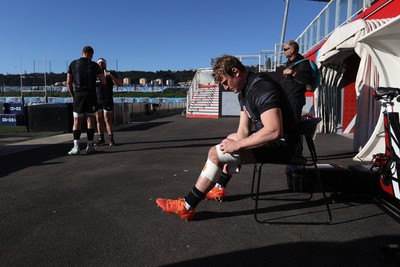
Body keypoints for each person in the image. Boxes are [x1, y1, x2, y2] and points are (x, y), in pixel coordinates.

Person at [156, 55, 299, 220]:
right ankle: (219, 187)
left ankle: (187, 205)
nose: (224, 87)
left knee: (215, 153)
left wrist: (236, 146)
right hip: (273, 141)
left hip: (284, 146)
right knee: (228, 141)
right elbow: (243, 130)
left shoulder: (262, 87)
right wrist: (232, 143)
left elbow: (274, 131)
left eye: (225, 82)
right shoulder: (244, 91)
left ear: (235, 72)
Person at [66, 46, 106, 155]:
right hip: (91, 95)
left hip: (78, 95)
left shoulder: (73, 64)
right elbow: (103, 82)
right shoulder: (94, 65)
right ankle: (89, 146)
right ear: (91, 54)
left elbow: (68, 82)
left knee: (77, 121)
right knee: (90, 120)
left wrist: (73, 95)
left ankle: (76, 147)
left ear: (82, 53)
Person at [281, 40, 313, 122]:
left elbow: (307, 79)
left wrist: (292, 72)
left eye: (285, 49)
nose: (283, 51)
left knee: (294, 125)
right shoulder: (289, 63)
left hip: (295, 99)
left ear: (292, 50)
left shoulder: (303, 63)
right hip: (287, 98)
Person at [95, 58, 122, 146]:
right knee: (98, 119)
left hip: (107, 99)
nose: (100, 65)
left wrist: (111, 76)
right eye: (99, 63)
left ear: (105, 64)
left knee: (107, 119)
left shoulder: (110, 74)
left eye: (102, 63)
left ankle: (111, 138)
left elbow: (119, 83)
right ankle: (101, 138)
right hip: (97, 100)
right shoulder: (94, 75)